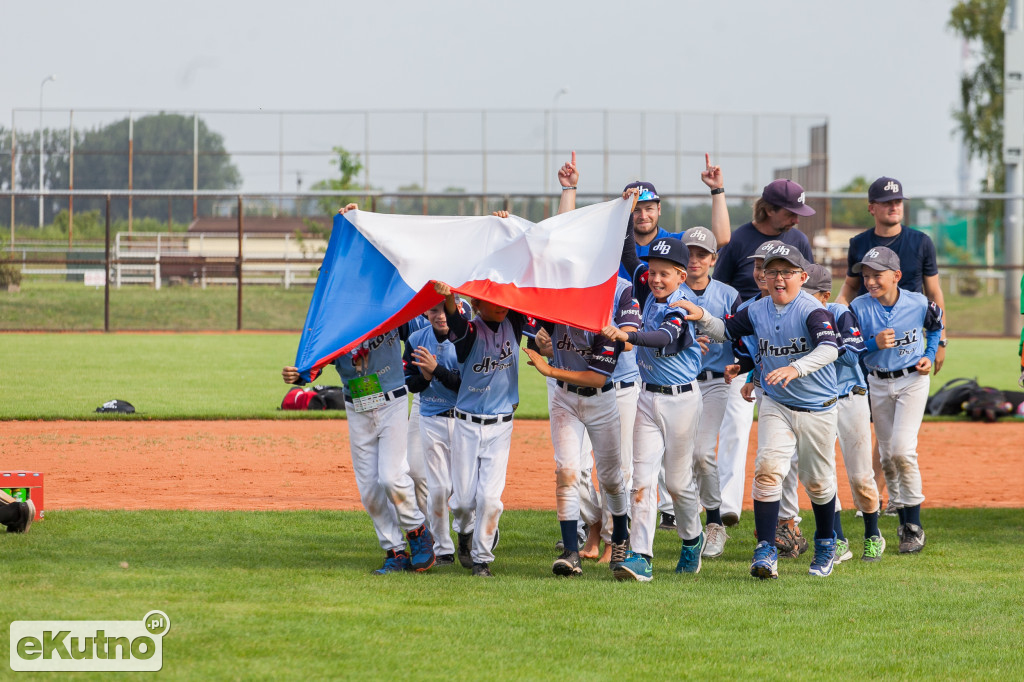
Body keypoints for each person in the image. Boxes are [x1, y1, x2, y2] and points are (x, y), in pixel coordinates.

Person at [283, 203, 436, 575]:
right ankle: (394, 550)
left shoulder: (384, 304)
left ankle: (418, 532)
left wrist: (358, 225)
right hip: (357, 406)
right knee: (369, 489)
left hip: (393, 402)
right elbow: (314, 363)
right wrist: (300, 375)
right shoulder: (330, 320)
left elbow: (398, 272)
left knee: (391, 476)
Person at [683, 243, 844, 579]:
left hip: (818, 407)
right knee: (768, 471)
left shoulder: (812, 309)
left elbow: (830, 348)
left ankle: (826, 541)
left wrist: (795, 368)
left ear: (803, 276)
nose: (779, 278)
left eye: (786, 272)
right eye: (772, 272)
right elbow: (726, 331)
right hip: (777, 402)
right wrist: (703, 317)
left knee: (817, 482)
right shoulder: (757, 309)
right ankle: (766, 548)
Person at [837, 176, 948, 514]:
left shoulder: (920, 242)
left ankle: (890, 500)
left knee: (899, 442)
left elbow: (934, 294)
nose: (894, 206)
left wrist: (940, 341)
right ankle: (880, 497)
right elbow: (850, 288)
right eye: (886, 202)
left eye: (898, 200)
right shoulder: (860, 244)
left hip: (912, 337)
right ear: (872, 208)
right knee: (885, 436)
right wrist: (835, 320)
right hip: (874, 336)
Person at [710, 178, 816, 528]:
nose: (797, 219)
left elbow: (809, 289)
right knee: (736, 429)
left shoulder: (797, 240)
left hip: (787, 354)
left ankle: (786, 517)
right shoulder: (741, 239)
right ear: (769, 209)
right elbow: (721, 288)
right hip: (745, 346)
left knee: (789, 444)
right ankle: (728, 506)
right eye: (791, 211)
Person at [604, 226, 706, 582]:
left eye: (666, 272)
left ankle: (692, 539)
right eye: (654, 271)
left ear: (682, 274)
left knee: (677, 483)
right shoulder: (645, 284)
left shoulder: (683, 306)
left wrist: (627, 334)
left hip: (682, 401)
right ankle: (641, 556)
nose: (656, 278)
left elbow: (664, 336)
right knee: (642, 480)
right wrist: (627, 216)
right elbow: (630, 253)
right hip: (647, 396)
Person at [524, 312, 634, 577]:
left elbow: (596, 378)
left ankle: (620, 538)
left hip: (601, 401)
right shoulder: (556, 309)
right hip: (564, 399)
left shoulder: (605, 321)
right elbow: (531, 340)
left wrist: (549, 370)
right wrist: (539, 341)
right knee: (567, 472)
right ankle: (571, 553)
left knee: (610, 477)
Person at [849, 247, 943, 554]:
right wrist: (871, 344)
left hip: (912, 381)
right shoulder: (859, 306)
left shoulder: (917, 303)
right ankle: (902, 521)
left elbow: (936, 326)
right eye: (865, 275)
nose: (870, 281)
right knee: (888, 457)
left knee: (903, 450)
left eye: (877, 275)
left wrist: (929, 356)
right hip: (877, 381)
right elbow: (849, 348)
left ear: (896, 276)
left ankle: (913, 527)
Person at [435, 266, 527, 578]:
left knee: (490, 497)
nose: (501, 303)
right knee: (462, 502)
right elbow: (457, 323)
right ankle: (464, 531)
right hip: (466, 425)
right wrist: (450, 299)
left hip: (501, 425)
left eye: (504, 297)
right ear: (477, 303)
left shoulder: (514, 323)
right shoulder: (469, 332)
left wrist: (504, 227)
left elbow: (522, 280)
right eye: (492, 298)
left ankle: (482, 560)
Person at [801, 263, 885, 562]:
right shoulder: (793, 313)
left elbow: (852, 358)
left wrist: (826, 339)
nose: (803, 298)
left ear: (825, 295)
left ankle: (873, 534)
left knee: (860, 474)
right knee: (822, 475)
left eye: (810, 294)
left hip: (850, 398)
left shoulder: (839, 313)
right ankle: (836, 539)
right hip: (817, 403)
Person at [677, 226, 741, 558]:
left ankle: (715, 523)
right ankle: (687, 525)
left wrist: (743, 365)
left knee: (703, 453)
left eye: (702, 254)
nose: (694, 259)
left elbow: (740, 335)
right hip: (678, 383)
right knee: (677, 457)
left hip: (716, 382)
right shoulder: (669, 291)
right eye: (689, 253)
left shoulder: (728, 295)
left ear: (714, 259)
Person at [404, 299, 469, 567]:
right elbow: (412, 384)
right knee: (438, 487)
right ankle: (443, 548)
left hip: (465, 417)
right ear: (426, 312)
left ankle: (468, 532)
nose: (440, 315)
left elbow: (465, 386)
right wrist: (427, 377)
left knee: (466, 490)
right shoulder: (417, 337)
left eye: (445, 310)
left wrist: (435, 370)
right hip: (430, 413)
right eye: (434, 310)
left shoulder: (466, 334)